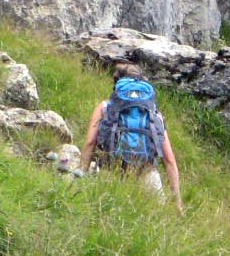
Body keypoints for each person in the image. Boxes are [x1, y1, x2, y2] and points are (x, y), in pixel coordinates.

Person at [79, 64, 184, 211]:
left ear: (117, 83)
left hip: (111, 171)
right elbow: (169, 160)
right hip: (146, 173)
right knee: (152, 222)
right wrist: (177, 202)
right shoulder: (154, 114)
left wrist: (81, 175)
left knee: (104, 216)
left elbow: (90, 142)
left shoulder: (105, 107)